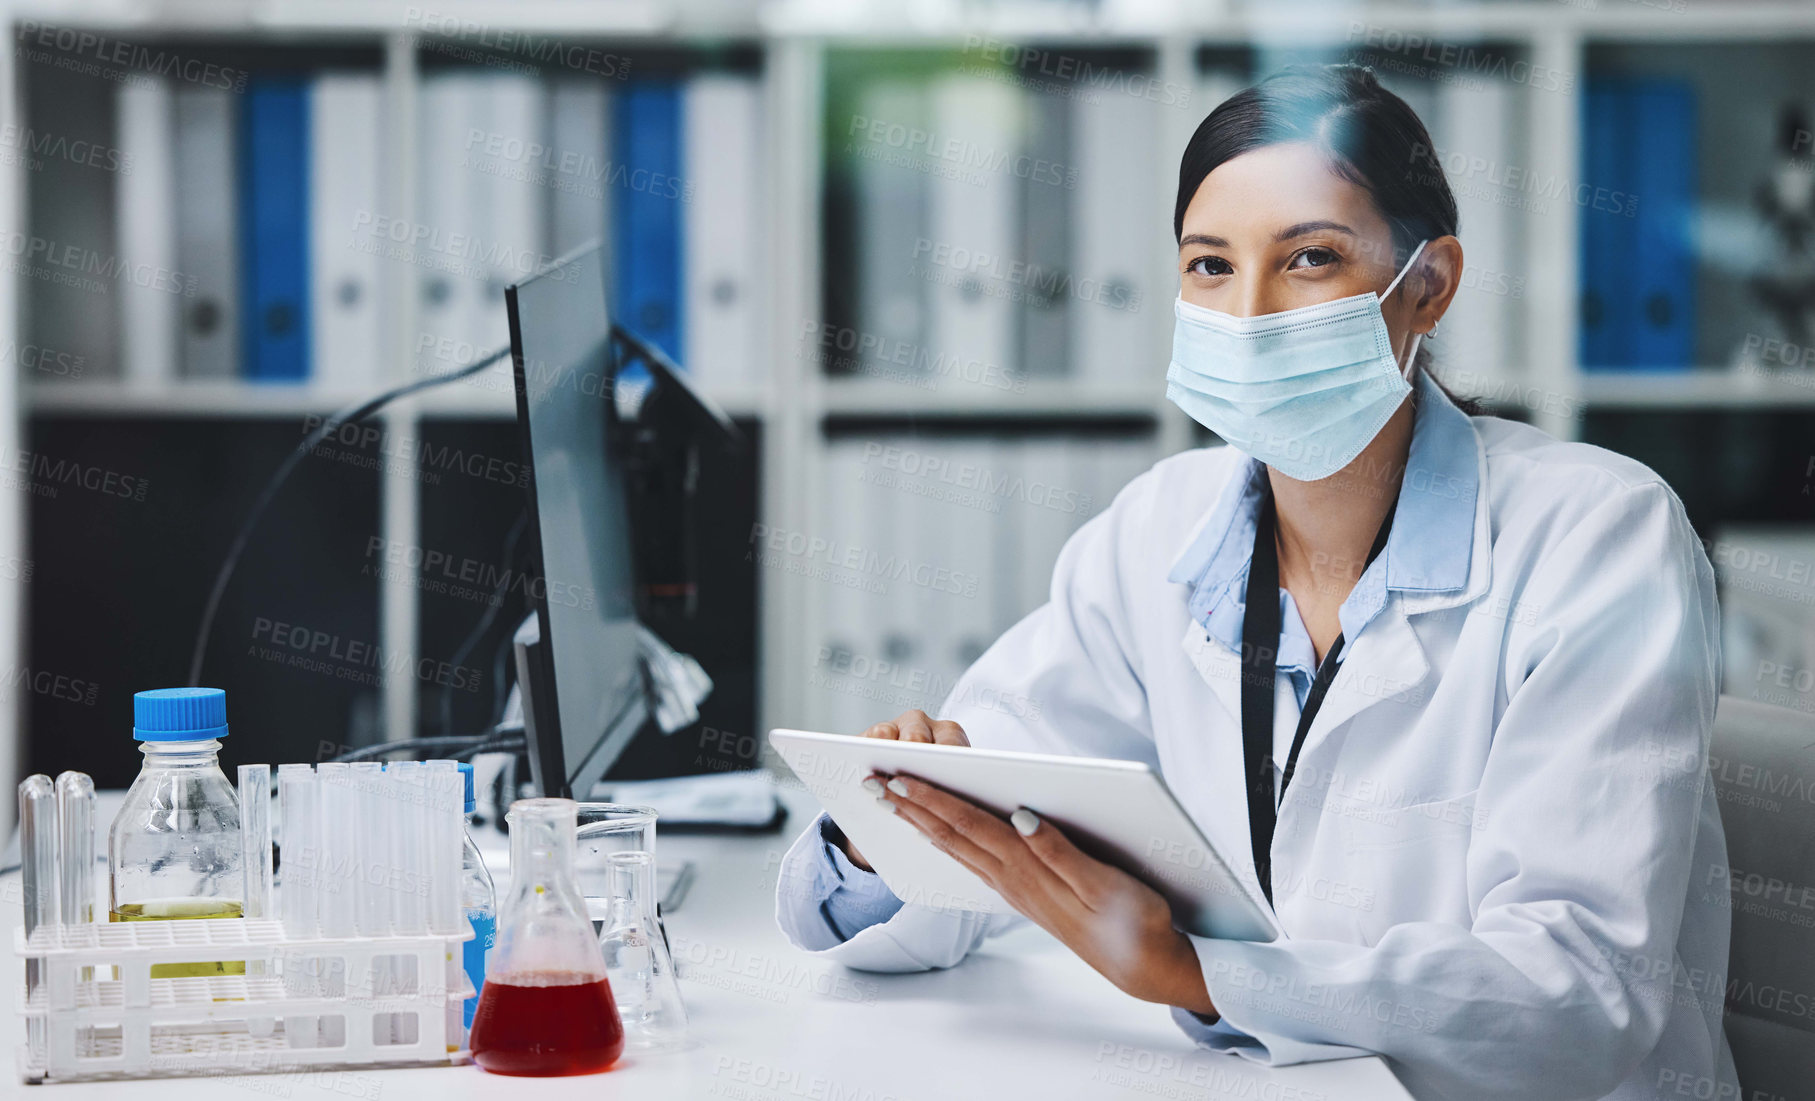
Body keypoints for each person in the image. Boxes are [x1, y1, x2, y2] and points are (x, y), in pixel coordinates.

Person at [774, 64, 1736, 1100]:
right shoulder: (1159, 532)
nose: (1251, 314)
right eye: (1210, 267)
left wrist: (1199, 974)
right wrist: (884, 839)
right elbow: (997, 864)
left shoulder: (1598, 537)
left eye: (1310, 259)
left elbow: (1578, 997)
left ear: (1429, 285)